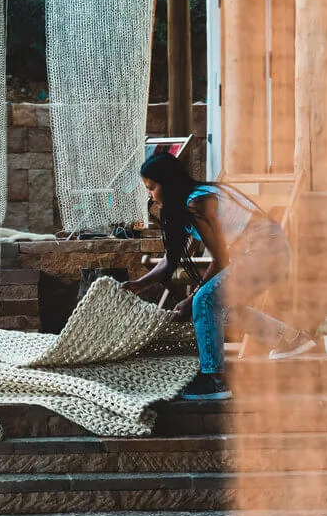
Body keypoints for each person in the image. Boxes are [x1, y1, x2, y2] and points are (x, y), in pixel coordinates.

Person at [123, 155, 316, 401]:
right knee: (221, 309)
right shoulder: (185, 207)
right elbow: (170, 260)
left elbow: (220, 258)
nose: (150, 195)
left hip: (267, 251)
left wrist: (192, 299)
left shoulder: (199, 202)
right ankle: (290, 339)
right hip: (259, 254)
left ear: (168, 184)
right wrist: (138, 285)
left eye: (152, 188)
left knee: (204, 302)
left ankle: (213, 380)